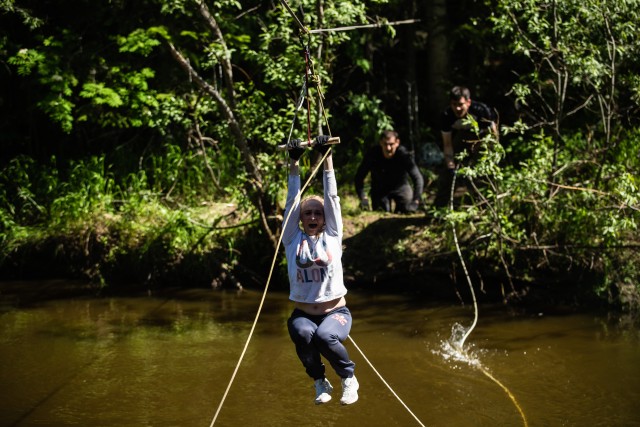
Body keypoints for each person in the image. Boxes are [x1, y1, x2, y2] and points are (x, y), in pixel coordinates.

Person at [282, 135, 359, 406]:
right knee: (303, 333)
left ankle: (348, 378)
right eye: (307, 213)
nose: (312, 217)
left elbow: (332, 197)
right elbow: (293, 201)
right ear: (301, 219)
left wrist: (327, 159)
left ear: (324, 217)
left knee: (326, 336)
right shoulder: (292, 239)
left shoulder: (333, 235)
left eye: (317, 213)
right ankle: (319, 380)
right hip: (303, 313)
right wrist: (293, 163)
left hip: (336, 312)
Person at [434, 86, 497, 207]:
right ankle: (439, 209)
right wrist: (450, 165)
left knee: (481, 173)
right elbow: (447, 144)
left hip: (483, 139)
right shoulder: (447, 115)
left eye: (460, 104)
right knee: (447, 174)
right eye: (454, 104)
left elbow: (493, 136)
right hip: (459, 140)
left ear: (468, 102)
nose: (457, 108)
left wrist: (488, 155)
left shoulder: (481, 111)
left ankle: (486, 206)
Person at [354, 130, 424, 213]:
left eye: (391, 144)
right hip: (380, 189)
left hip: (400, 187)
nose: (388, 148)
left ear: (397, 143)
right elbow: (359, 177)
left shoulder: (403, 155)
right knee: (382, 211)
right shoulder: (373, 154)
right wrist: (363, 198)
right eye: (385, 144)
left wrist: (416, 200)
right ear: (380, 143)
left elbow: (418, 178)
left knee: (407, 209)